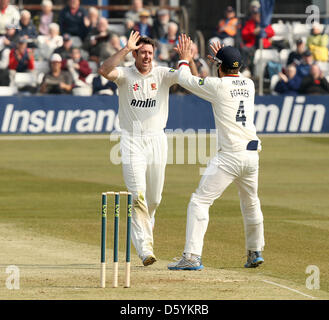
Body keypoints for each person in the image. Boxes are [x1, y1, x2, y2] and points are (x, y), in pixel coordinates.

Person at [98, 31, 197, 266]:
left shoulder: (162, 73)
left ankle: (146, 223)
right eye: (142, 52)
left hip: (156, 140)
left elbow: (192, 82)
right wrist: (124, 49)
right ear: (135, 54)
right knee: (137, 195)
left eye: (150, 53)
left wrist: (188, 58)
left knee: (154, 199)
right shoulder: (124, 74)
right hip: (132, 140)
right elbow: (104, 70)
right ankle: (145, 249)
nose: (146, 56)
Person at [168, 35, 265, 271]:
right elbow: (226, 75)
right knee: (251, 203)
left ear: (220, 67)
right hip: (252, 155)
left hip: (230, 156)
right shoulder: (249, 84)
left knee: (199, 201)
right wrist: (222, 61)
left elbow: (185, 80)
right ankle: (255, 251)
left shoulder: (219, 86)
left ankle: (191, 256)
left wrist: (184, 58)